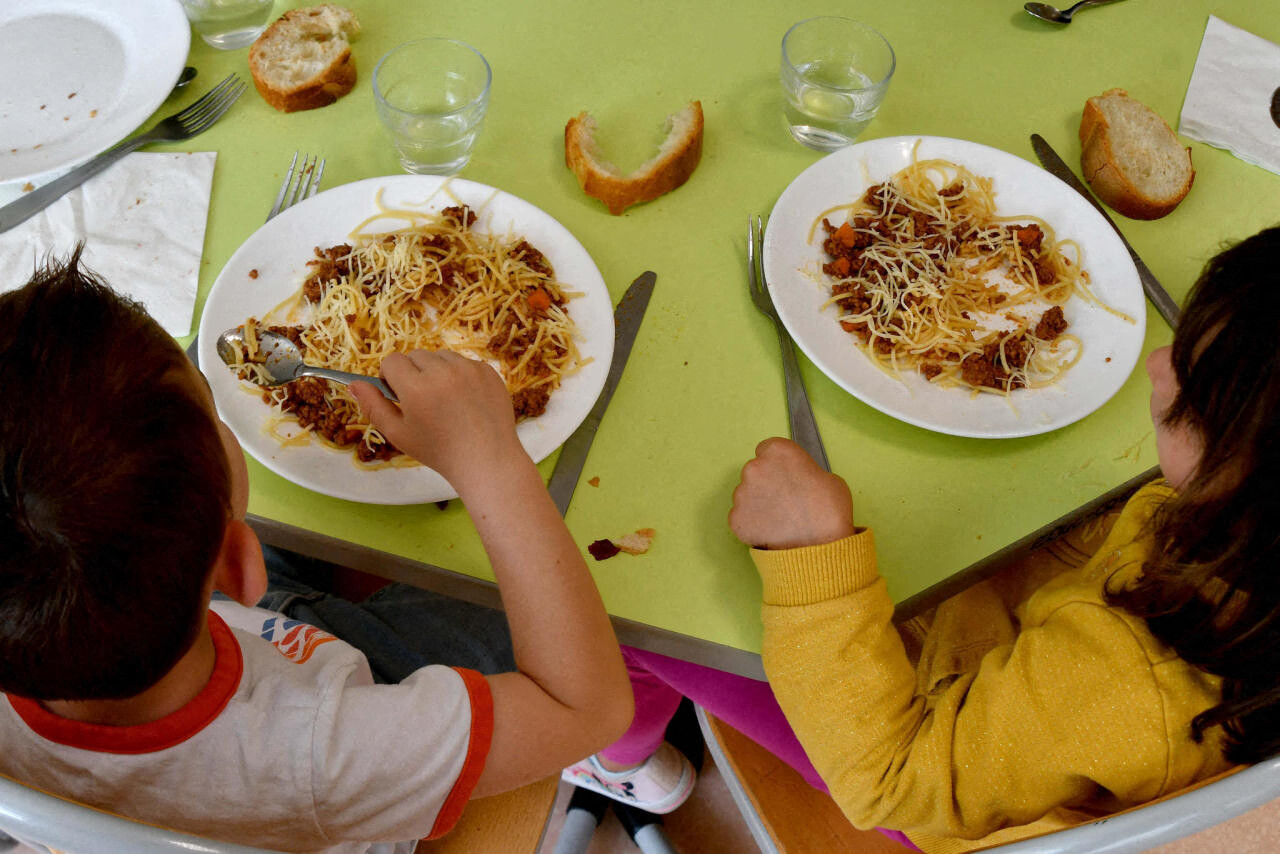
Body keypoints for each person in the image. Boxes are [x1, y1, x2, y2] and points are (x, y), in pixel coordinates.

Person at [567, 225, 1280, 852]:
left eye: (1191, 400)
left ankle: (623, 768)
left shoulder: (1131, 684)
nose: (1156, 365)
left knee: (616, 617)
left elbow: (888, 781)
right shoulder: (1252, 538)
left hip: (923, 768)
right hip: (1010, 650)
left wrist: (812, 558)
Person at [0, 248, 633, 853]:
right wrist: (488, 461)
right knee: (531, 604)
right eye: (215, 411)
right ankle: (631, 770)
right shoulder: (319, 757)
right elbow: (584, 706)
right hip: (338, 734)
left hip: (245, 642)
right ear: (237, 567)